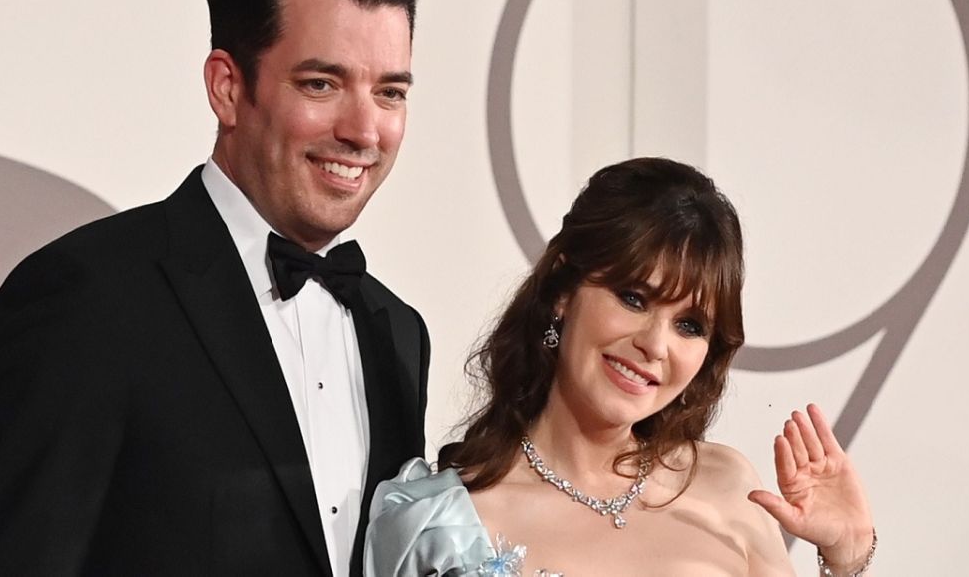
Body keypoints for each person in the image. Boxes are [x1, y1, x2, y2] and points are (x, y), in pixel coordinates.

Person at [0, 0, 429, 577]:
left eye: (389, 92)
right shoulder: (87, 297)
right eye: (321, 84)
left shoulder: (396, 332)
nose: (364, 129)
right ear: (228, 87)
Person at [365, 158, 876, 576]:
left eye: (690, 326)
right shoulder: (444, 526)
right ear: (564, 291)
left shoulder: (729, 487)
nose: (655, 344)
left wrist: (847, 558)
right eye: (633, 298)